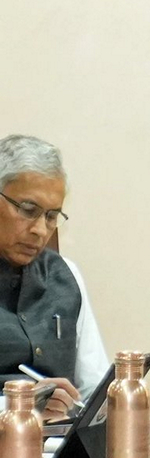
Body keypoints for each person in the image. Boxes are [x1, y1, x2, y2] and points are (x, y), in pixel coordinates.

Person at [0, 135, 109, 422]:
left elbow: (95, 389)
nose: (40, 229)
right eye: (27, 210)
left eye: (51, 216)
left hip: (57, 457)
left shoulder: (66, 276)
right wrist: (22, 405)